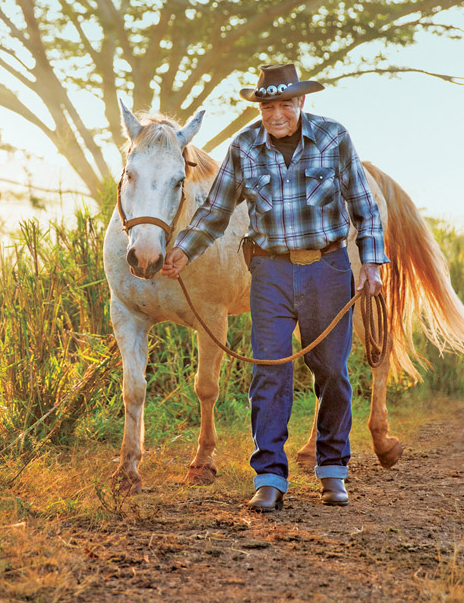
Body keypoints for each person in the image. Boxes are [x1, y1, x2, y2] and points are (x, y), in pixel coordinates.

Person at [161, 63, 387, 512]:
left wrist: (374, 262)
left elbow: (364, 205)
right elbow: (217, 211)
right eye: (268, 105)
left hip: (327, 267)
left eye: (286, 103)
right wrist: (184, 249)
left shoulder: (333, 137)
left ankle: (332, 470)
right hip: (269, 273)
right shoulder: (245, 146)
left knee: (332, 372)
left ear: (302, 102)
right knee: (269, 371)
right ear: (260, 107)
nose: (277, 113)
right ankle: (268, 476)